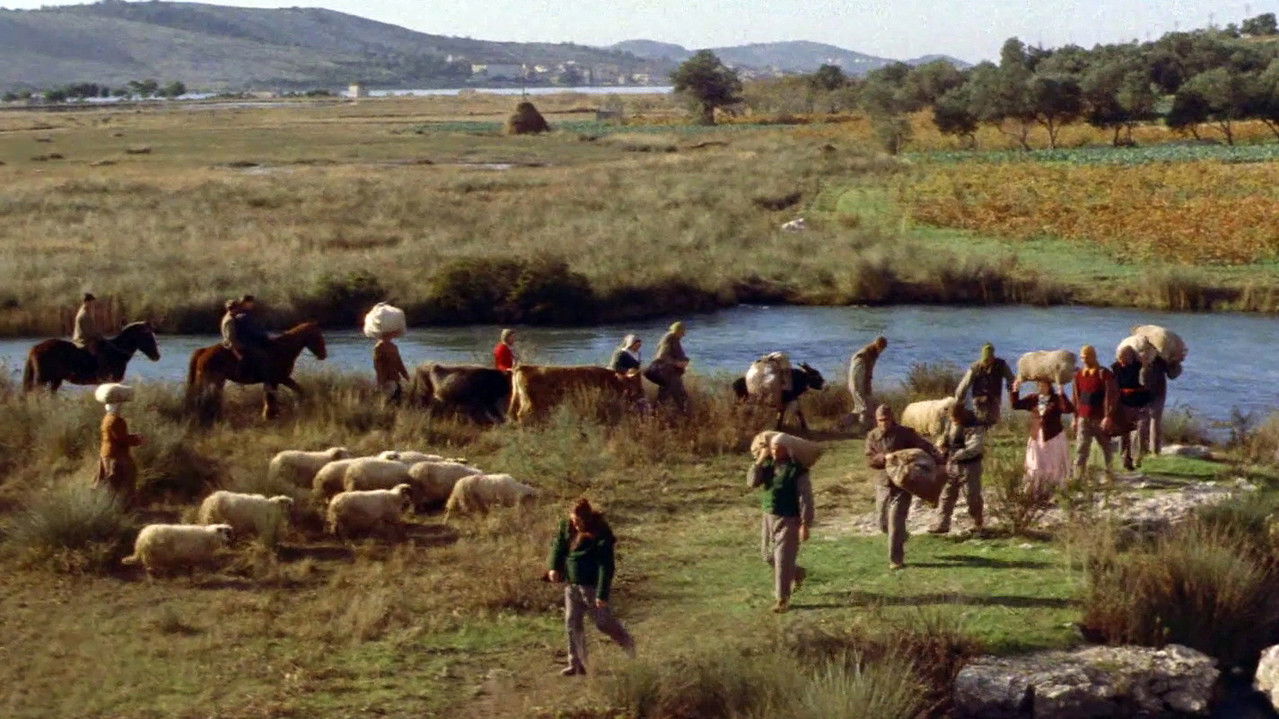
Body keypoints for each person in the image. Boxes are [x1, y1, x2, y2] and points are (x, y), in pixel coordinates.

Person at [546, 498, 635, 676]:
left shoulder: (601, 533)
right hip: (572, 585)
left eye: (578, 522)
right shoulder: (568, 526)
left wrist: (601, 594)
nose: (575, 525)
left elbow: (605, 565)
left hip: (592, 587)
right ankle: (577, 664)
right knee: (572, 622)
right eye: (573, 521)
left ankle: (628, 643)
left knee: (603, 623)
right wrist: (554, 567)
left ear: (586, 519)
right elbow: (559, 546)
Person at [865, 404, 944, 569]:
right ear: (876, 420)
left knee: (895, 522)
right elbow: (870, 459)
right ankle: (901, 535)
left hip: (904, 484)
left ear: (892, 418)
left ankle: (896, 560)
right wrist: (883, 458)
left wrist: (940, 460)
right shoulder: (872, 436)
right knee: (883, 523)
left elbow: (925, 446)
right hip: (883, 483)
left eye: (886, 419)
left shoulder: (905, 433)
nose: (884, 423)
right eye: (880, 420)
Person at [747, 435, 814, 613]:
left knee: (783, 559)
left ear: (788, 449)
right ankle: (797, 573)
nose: (775, 451)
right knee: (767, 555)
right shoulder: (768, 466)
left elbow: (805, 498)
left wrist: (805, 523)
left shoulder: (797, 470)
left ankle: (782, 599)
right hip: (768, 516)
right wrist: (760, 459)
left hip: (789, 519)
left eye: (779, 448)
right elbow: (751, 482)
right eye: (773, 448)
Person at [1011, 378, 1075, 501]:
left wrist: (1062, 392)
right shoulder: (1033, 398)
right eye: (1039, 385)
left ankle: (1054, 492)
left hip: (1053, 436)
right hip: (1036, 437)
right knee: (1035, 464)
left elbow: (1068, 409)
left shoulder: (1056, 399)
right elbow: (1016, 405)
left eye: (1043, 385)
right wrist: (1015, 390)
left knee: (1053, 465)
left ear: (1049, 386)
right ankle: (1036, 492)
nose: (1041, 387)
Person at [929, 403, 985, 535]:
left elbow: (975, 446)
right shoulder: (950, 423)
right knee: (946, 495)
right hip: (951, 465)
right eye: (952, 419)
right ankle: (942, 523)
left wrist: (957, 455)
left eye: (955, 419)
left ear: (962, 415)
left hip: (970, 466)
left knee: (972, 496)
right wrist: (941, 445)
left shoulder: (976, 425)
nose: (954, 421)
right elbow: (945, 436)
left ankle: (977, 523)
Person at [1072, 345, 1116, 479]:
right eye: (1082, 358)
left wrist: (1108, 416)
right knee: (1081, 449)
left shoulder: (1104, 374)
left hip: (1100, 418)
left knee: (1107, 448)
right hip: (1083, 418)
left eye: (1087, 357)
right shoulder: (1079, 375)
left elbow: (1112, 396)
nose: (1084, 360)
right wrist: (1075, 418)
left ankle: (1110, 475)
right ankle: (1078, 477)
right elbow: (1076, 397)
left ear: (1093, 356)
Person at [96, 385, 144, 506]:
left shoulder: (107, 418)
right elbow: (121, 438)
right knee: (123, 478)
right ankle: (122, 506)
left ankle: (108, 505)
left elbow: (116, 436)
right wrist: (137, 439)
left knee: (108, 480)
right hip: (116, 455)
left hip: (106, 453)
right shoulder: (116, 420)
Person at [954, 343, 1016, 427]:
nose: (986, 362)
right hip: (979, 401)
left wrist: (1012, 394)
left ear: (993, 357)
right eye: (984, 360)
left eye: (988, 359)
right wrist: (958, 401)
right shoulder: (975, 367)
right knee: (979, 424)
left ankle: (989, 437)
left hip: (994, 400)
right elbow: (964, 385)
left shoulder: (1001, 365)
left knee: (992, 423)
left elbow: (1011, 379)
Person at [1112, 346, 1152, 471]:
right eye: (1119, 357)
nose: (1121, 360)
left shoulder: (1139, 366)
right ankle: (1126, 459)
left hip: (1140, 403)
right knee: (1125, 433)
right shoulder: (1115, 368)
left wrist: (1145, 366)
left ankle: (1138, 456)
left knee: (1142, 429)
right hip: (1124, 404)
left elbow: (1146, 381)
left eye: (1123, 357)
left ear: (1130, 356)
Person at [1140, 354, 1183, 456]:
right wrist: (1177, 363)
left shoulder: (1136, 352)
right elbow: (1172, 374)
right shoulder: (1161, 356)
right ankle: (1154, 451)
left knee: (1142, 419)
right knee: (1154, 420)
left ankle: (1141, 449)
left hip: (1139, 390)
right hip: (1157, 391)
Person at [846, 336, 888, 430]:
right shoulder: (866, 354)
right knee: (864, 407)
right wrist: (866, 387)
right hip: (857, 380)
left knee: (860, 407)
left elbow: (868, 374)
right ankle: (863, 429)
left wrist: (867, 387)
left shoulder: (871, 353)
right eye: (882, 348)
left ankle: (844, 425)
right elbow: (863, 374)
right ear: (878, 345)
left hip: (858, 381)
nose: (882, 351)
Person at [228, 295, 272, 381]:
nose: (252, 304)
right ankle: (261, 376)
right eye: (249, 302)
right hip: (247, 342)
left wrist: (265, 335)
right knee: (262, 355)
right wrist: (264, 336)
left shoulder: (247, 314)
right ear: (244, 303)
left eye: (251, 302)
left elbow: (256, 329)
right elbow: (251, 331)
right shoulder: (243, 316)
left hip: (251, 340)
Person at [648, 321, 690, 410]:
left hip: (671, 372)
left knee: (667, 395)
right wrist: (677, 363)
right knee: (677, 396)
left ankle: (657, 415)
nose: (683, 335)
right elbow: (661, 356)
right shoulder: (669, 338)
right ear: (677, 331)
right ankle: (682, 415)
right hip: (666, 372)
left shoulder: (674, 339)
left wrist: (684, 361)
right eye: (682, 333)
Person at [72, 292, 108, 377]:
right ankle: (96, 373)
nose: (93, 303)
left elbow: (90, 330)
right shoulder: (84, 315)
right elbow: (89, 332)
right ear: (87, 302)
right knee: (100, 352)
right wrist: (99, 337)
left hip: (83, 337)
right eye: (92, 302)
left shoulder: (83, 311)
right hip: (83, 340)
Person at [373, 333, 410, 404]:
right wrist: (380, 382)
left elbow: (399, 364)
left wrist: (406, 377)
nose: (390, 337)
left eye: (390, 335)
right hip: (386, 380)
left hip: (395, 379)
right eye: (387, 335)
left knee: (396, 402)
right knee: (388, 402)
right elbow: (378, 367)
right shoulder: (378, 348)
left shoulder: (394, 347)